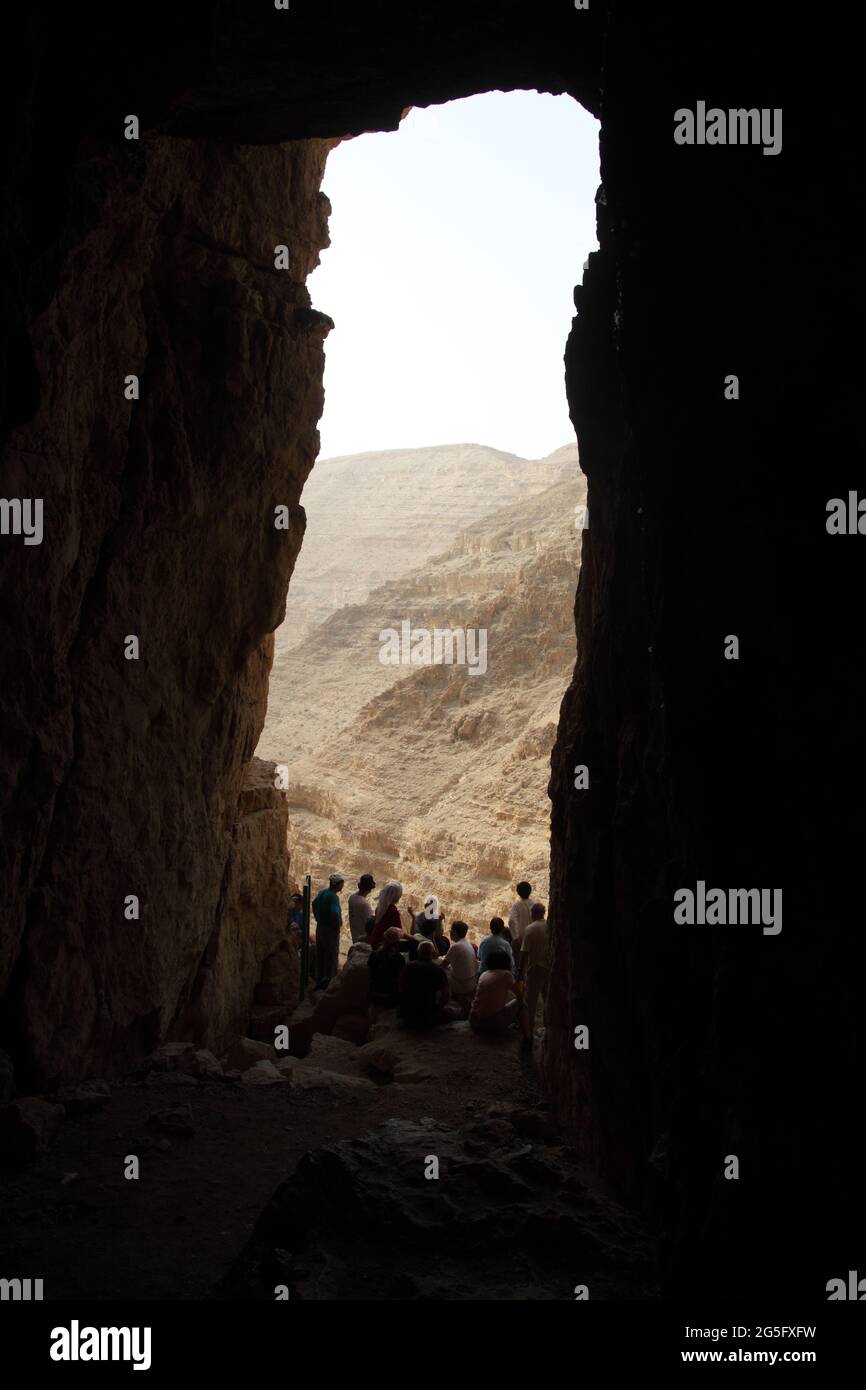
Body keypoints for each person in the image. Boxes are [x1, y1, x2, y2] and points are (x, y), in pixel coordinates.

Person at [398, 940, 460, 1029]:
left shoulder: (408, 967)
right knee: (456, 1009)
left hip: (408, 1015)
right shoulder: (437, 970)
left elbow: (401, 987)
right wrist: (437, 1009)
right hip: (427, 1017)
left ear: (418, 952)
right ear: (433, 953)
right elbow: (446, 995)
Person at [470, 949, 528, 1038]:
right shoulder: (506, 974)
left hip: (474, 1020)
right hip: (492, 1023)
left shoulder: (484, 974)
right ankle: (526, 1036)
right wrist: (522, 985)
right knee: (520, 1003)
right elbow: (520, 996)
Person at [518, 901, 550, 1041]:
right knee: (548, 998)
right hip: (549, 968)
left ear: (534, 913)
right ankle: (548, 1029)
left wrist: (520, 971)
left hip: (535, 969)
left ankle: (528, 1033)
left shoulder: (530, 929)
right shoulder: (550, 926)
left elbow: (524, 953)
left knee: (530, 1002)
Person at [312, 872, 344, 990]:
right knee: (331, 956)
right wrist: (336, 928)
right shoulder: (333, 897)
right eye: (342, 883)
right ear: (338, 884)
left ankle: (319, 981)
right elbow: (334, 914)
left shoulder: (322, 893)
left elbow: (313, 903)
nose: (343, 885)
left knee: (321, 954)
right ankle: (330, 983)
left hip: (320, 928)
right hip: (330, 930)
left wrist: (317, 917)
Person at [367, 925, 406, 1019]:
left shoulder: (374, 954)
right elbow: (401, 980)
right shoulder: (399, 959)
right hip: (390, 999)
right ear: (397, 942)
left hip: (375, 997)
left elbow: (369, 974)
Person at [442, 920, 478, 1016]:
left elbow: (443, 965)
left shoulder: (456, 946)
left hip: (462, 985)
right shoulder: (467, 944)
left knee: (440, 973)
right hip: (472, 983)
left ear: (454, 932)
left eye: (451, 930)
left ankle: (442, 1002)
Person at [507, 881, 536, 972]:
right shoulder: (534, 905)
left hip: (520, 941)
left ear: (518, 893)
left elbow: (511, 920)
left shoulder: (517, 905)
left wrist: (516, 937)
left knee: (519, 965)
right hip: (532, 939)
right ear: (530, 891)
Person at [368, 880, 404, 947]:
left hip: (375, 940)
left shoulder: (380, 907)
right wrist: (413, 938)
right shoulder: (393, 912)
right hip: (383, 945)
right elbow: (399, 932)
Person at [348, 873, 376, 943]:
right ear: (370, 889)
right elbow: (371, 923)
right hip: (364, 939)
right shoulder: (364, 904)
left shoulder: (352, 897)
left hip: (355, 936)